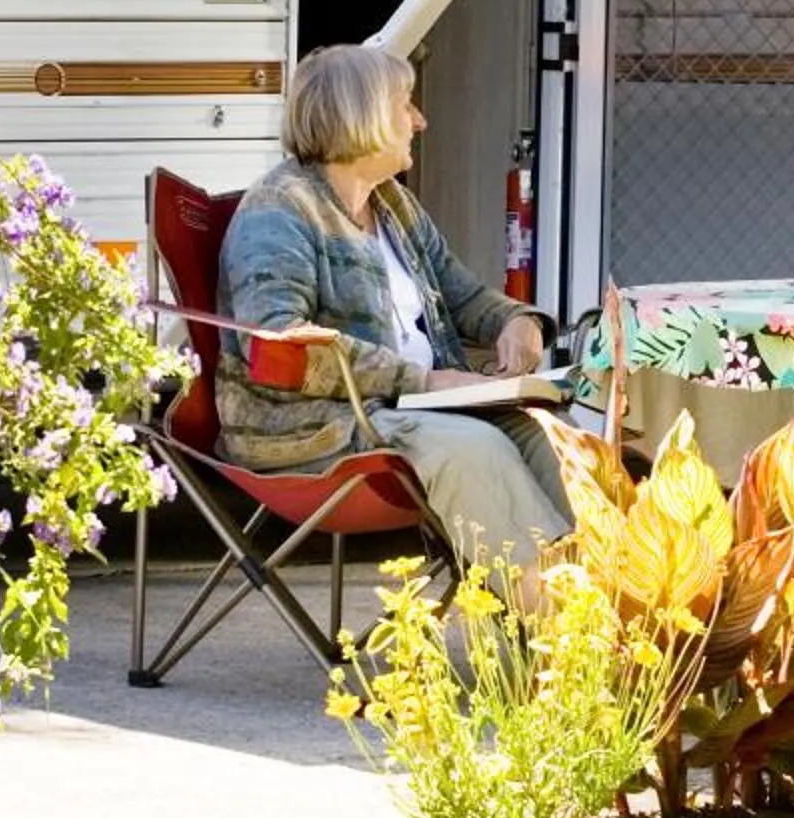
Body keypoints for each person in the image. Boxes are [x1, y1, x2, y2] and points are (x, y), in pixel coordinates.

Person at [216, 43, 570, 573]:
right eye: (406, 104)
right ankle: (557, 620)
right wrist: (422, 381)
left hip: (407, 411)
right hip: (314, 428)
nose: (420, 120)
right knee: (473, 448)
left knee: (552, 437)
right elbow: (277, 345)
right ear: (365, 115)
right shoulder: (281, 210)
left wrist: (516, 320)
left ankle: (609, 599)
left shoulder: (394, 205)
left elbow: (464, 294)